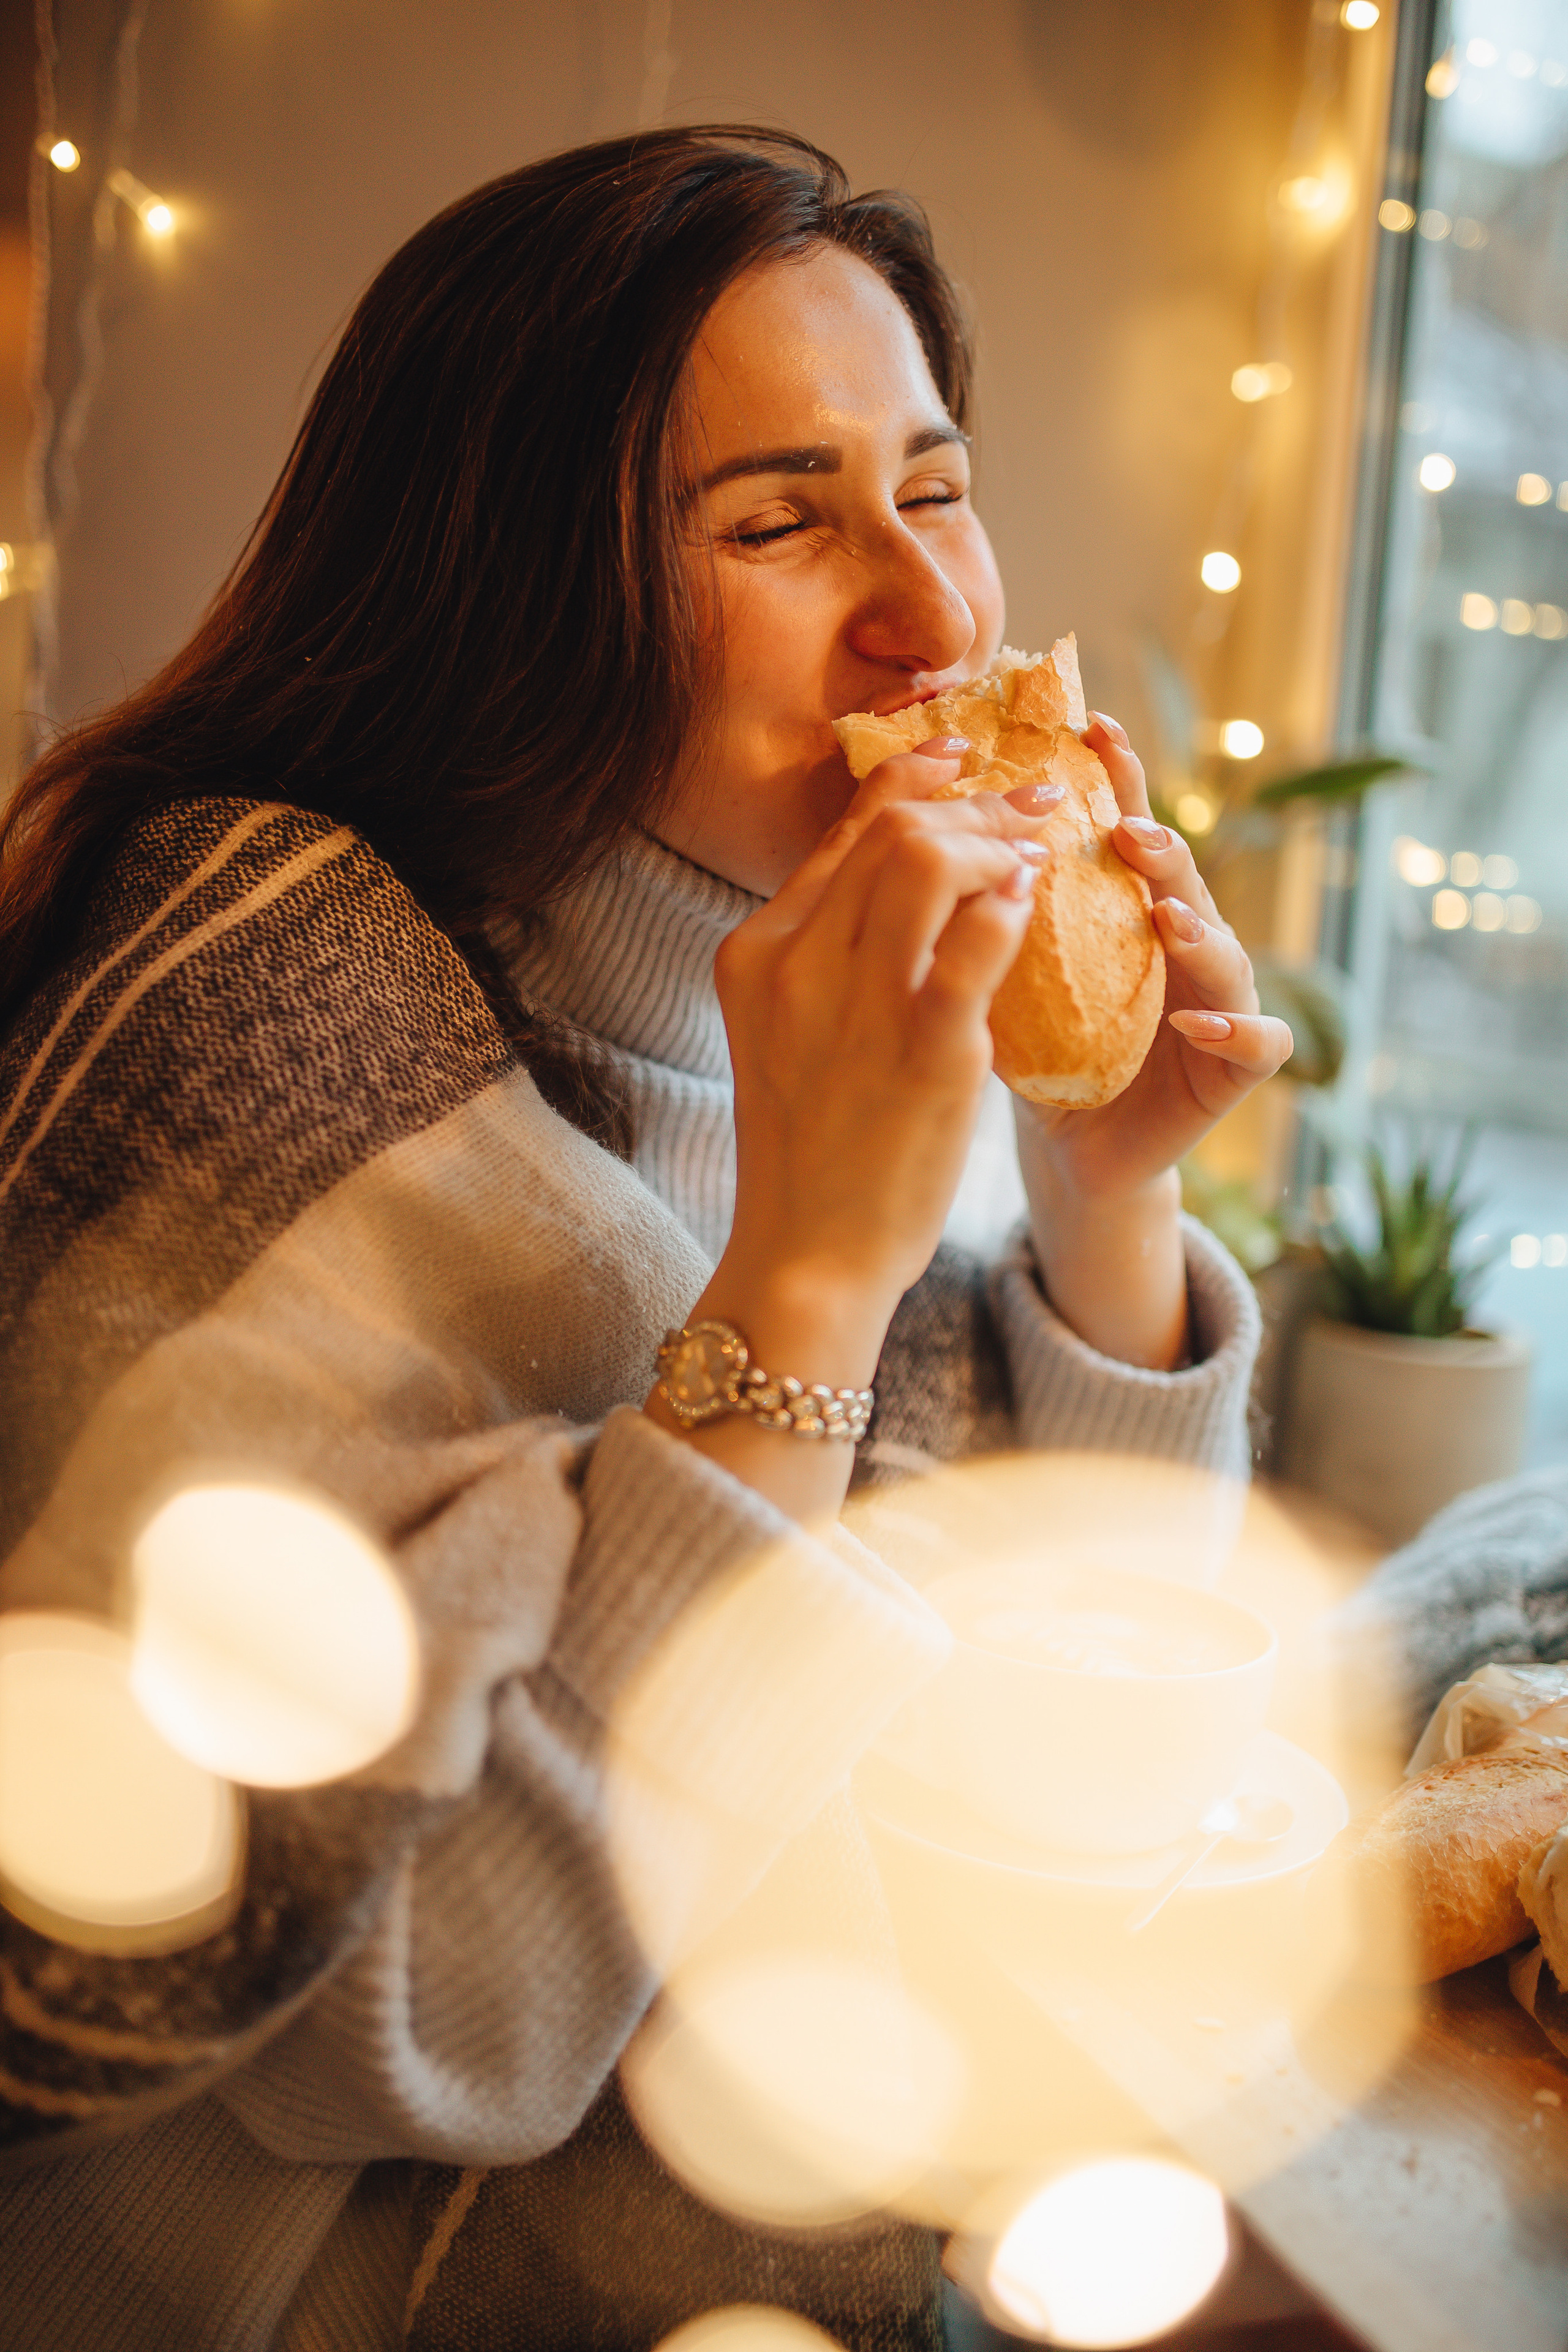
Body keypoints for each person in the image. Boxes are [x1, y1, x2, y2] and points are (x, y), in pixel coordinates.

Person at [0, 127, 1287, 2350]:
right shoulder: (271, 992)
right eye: (781, 522)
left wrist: (1108, 1192)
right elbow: (408, 2031)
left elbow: (1042, 1740)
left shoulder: (857, 1025)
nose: (929, 612)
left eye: (939, 488)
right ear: (511, 580)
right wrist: (798, 1293)